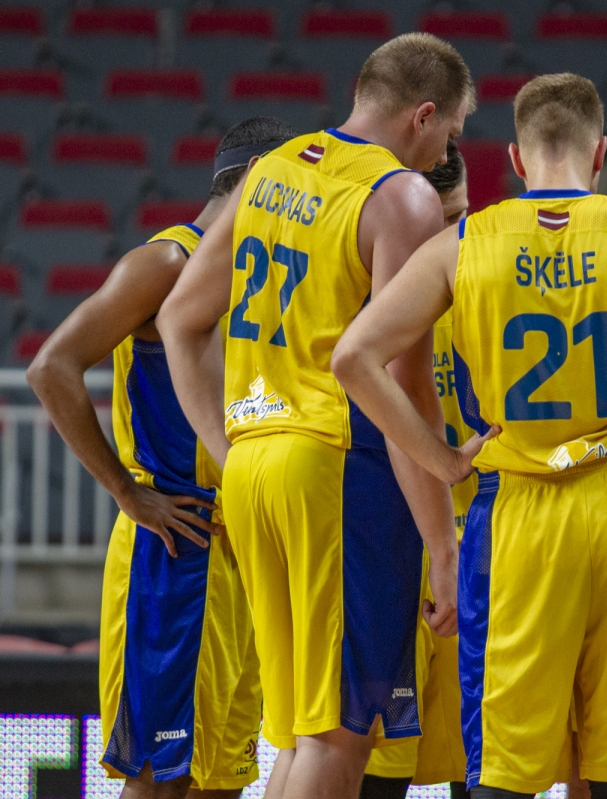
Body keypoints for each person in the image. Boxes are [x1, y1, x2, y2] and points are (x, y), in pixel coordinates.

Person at [330, 72, 607, 798]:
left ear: (514, 158)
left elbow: (353, 358)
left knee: (506, 765)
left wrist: (443, 461)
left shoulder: (464, 243)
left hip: (519, 517)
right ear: (601, 154)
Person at [157, 33, 473, 799]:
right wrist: (443, 543)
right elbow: (406, 382)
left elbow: (179, 319)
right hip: (335, 471)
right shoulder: (401, 196)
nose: (446, 152)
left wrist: (230, 444)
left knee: (305, 732)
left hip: (255, 466)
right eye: (452, 132)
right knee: (339, 736)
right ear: (423, 116)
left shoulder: (270, 170)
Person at [26, 117, 298, 799]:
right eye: (292, 189)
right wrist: (125, 490)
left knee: (221, 778)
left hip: (242, 546)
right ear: (258, 180)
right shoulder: (167, 263)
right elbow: (51, 367)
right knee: (160, 779)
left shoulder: (259, 273)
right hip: (175, 549)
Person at [361, 140, 470, 799]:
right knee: (376, 768)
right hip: (391, 545)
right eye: (435, 223)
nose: (445, 239)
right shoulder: (368, 306)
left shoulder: (488, 284)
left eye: (456, 219)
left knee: (479, 766)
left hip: (476, 550)